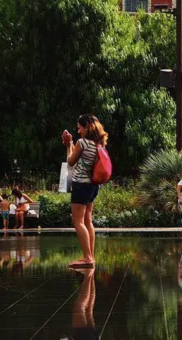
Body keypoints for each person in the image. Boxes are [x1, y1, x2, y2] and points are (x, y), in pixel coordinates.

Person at [62, 114, 109, 268]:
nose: (78, 130)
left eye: (80, 127)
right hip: (93, 185)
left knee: (78, 221)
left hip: (81, 185)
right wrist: (72, 144)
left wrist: (69, 145)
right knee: (88, 220)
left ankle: (87, 257)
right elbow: (83, 158)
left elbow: (71, 162)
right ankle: (90, 256)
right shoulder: (98, 144)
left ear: (87, 126)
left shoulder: (82, 142)